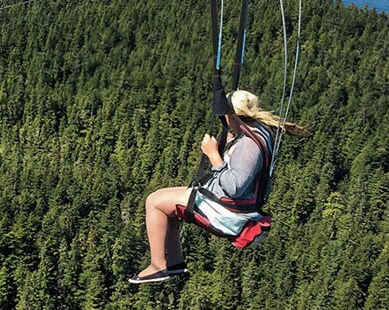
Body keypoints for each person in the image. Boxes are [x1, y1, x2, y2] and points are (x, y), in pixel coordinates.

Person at [129, 89, 306, 284]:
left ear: (232, 116)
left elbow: (234, 186)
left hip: (230, 211)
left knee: (154, 202)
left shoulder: (250, 144)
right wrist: (231, 143)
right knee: (163, 200)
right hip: (236, 205)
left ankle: (158, 266)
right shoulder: (258, 131)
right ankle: (174, 262)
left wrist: (214, 155)